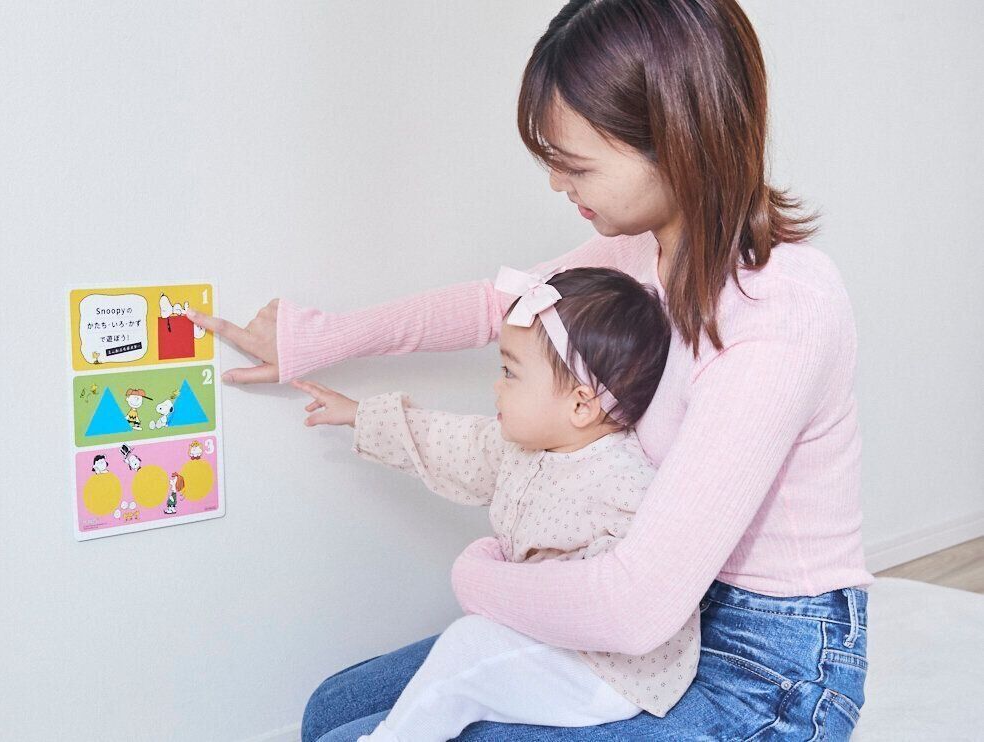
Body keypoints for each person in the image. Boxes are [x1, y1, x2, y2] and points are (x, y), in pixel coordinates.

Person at [189, 0, 873, 737]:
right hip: (648, 620)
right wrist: (315, 340)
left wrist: (476, 578)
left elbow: (635, 608)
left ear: (680, 139)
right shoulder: (635, 250)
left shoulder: (782, 309)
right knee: (333, 709)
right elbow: (498, 307)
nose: (555, 183)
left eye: (575, 165)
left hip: (766, 667)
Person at [290, 266, 695, 741]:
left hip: (608, 674)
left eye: (510, 372)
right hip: (542, 644)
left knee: (469, 644)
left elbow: (635, 592)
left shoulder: (622, 482)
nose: (497, 386)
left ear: (580, 404)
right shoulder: (523, 449)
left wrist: (497, 580)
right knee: (361, 693)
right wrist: (358, 415)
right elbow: (449, 442)